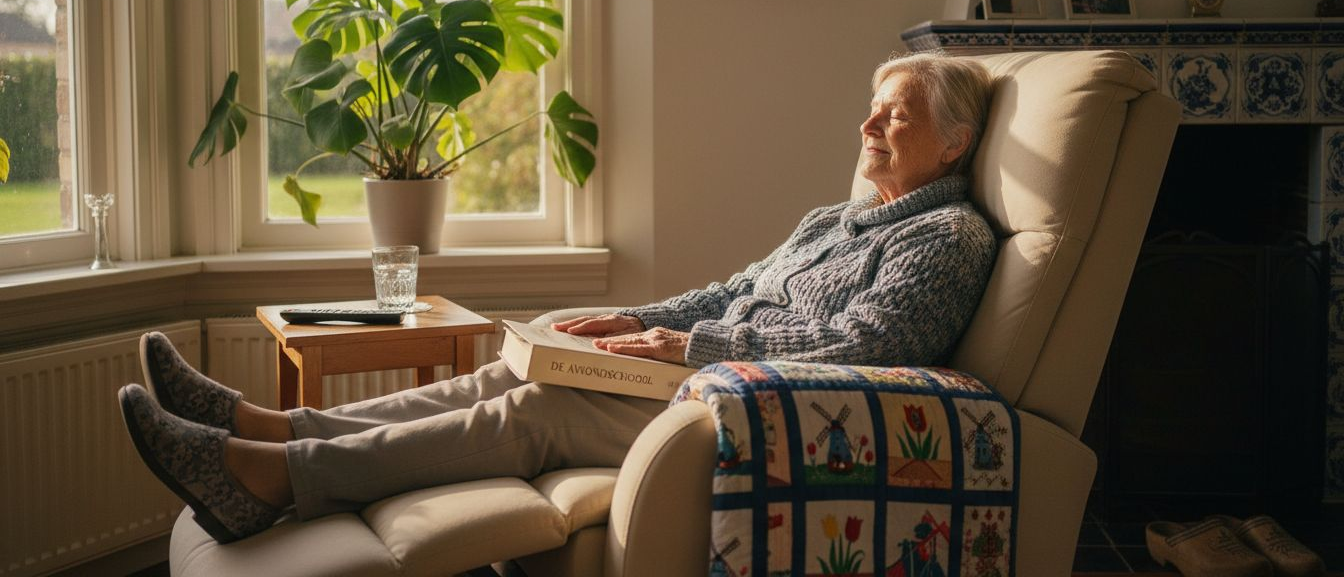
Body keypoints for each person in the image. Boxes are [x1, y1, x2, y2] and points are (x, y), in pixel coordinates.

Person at [118, 53, 999, 544]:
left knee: (536, 410)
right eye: (872, 108)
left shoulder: (945, 239)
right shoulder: (834, 219)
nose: (867, 126)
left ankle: (270, 481)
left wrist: (686, 354)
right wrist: (637, 320)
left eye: (894, 113)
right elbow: (736, 289)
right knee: (502, 374)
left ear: (954, 144)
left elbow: (868, 350)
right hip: (701, 373)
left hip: (753, 410)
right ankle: (271, 430)